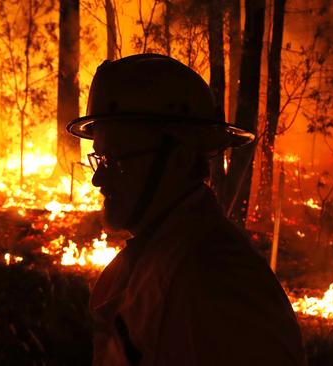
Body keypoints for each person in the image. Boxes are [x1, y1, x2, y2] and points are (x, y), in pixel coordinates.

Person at [66, 54, 306, 366]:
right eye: (100, 159)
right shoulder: (155, 257)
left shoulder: (218, 283)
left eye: (117, 160)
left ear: (179, 159)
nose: (99, 179)